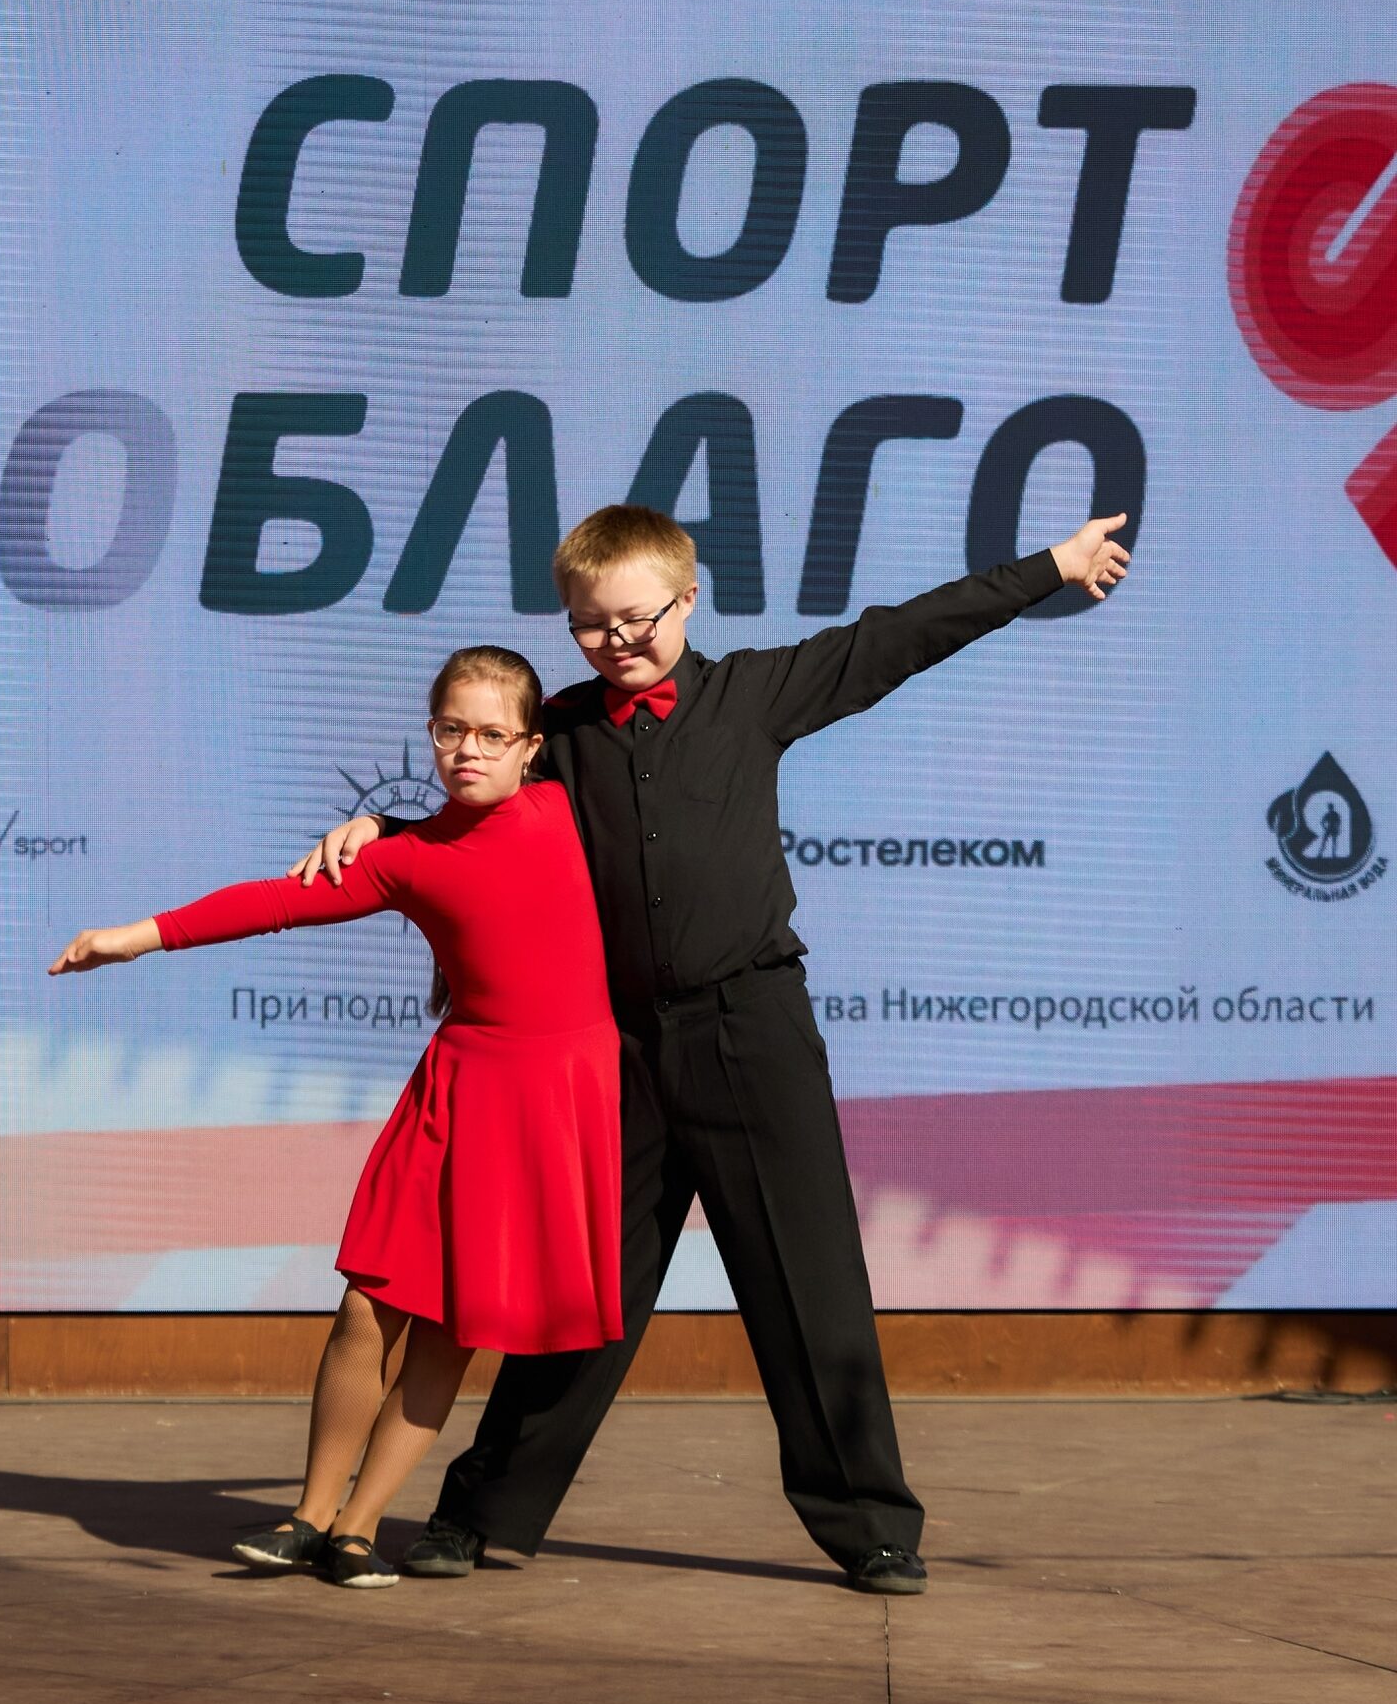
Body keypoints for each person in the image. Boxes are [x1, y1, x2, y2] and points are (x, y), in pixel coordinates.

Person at [294, 507, 1132, 1595]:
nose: (616, 640)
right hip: (617, 1049)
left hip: (752, 1033)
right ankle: (483, 1509)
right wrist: (384, 832)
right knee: (582, 1288)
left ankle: (871, 1523)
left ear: (687, 600)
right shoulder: (557, 732)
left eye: (636, 618)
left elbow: (900, 635)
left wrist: (1052, 567)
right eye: (591, 624)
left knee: (808, 1283)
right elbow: (471, 821)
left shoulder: (754, 693)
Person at [48, 646, 621, 1589]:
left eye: (492, 734)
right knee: (369, 1305)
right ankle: (309, 1516)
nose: (468, 750)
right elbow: (276, 901)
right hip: (459, 1093)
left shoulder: (571, 809)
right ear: (430, 733)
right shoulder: (404, 858)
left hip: (553, 1101)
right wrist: (136, 938)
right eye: (451, 730)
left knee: (453, 1331)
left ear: (532, 745)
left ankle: (359, 1527)